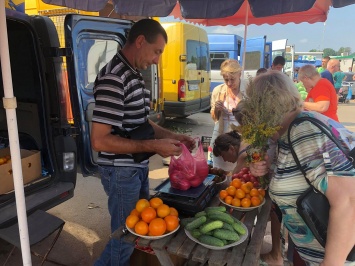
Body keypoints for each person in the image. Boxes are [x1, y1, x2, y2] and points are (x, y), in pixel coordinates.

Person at [91, 19, 195, 266]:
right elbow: (99, 141)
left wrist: (171, 136)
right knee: (124, 240)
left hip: (134, 169)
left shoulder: (133, 73)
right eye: (157, 51)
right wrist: (153, 147)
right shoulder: (114, 78)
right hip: (120, 172)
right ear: (140, 41)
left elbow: (142, 124)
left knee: (136, 235)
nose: (158, 60)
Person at [246, 71, 355, 265]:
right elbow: (302, 177)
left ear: (264, 108)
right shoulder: (291, 129)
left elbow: (349, 202)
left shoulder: (303, 132)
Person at [210, 59, 245, 172]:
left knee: (238, 169)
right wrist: (216, 109)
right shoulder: (217, 91)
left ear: (239, 74)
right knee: (219, 167)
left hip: (240, 137)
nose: (229, 83)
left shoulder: (248, 90)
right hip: (221, 135)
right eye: (226, 80)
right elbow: (214, 118)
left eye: (232, 79)